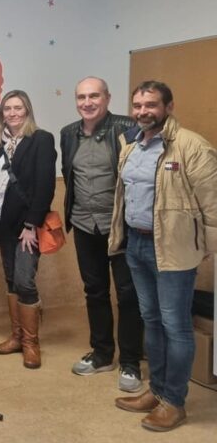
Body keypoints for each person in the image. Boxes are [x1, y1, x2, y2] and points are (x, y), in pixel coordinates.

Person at [110, 81, 217, 432]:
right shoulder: (132, 146)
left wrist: (210, 248)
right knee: (151, 320)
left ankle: (174, 401)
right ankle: (156, 390)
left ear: (168, 107)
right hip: (138, 246)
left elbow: (213, 204)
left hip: (173, 249)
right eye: (138, 105)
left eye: (151, 105)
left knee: (175, 326)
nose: (143, 111)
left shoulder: (191, 146)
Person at [60, 77, 143, 392]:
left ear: (107, 98)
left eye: (94, 96)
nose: (87, 102)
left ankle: (132, 362)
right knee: (94, 291)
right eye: (82, 97)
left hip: (121, 226)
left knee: (128, 295)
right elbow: (72, 177)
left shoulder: (127, 127)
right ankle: (102, 353)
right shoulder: (68, 134)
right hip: (84, 224)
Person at [0, 90, 56, 369]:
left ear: (27, 111)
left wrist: (31, 225)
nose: (12, 113)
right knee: (11, 280)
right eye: (7, 109)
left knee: (25, 280)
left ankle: (31, 342)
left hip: (27, 225)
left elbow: (45, 186)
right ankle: (16, 337)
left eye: (18, 108)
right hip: (3, 222)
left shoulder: (41, 139)